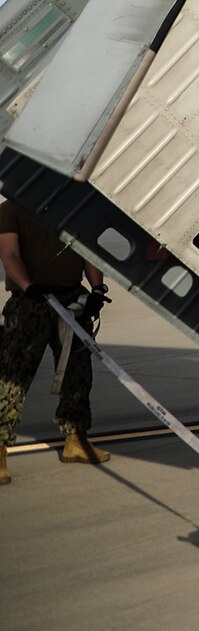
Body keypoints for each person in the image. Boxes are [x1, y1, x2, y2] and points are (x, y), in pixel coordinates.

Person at [1, 198, 111, 483]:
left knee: (78, 373)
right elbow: (10, 256)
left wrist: (97, 288)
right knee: (13, 376)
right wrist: (28, 287)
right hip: (31, 303)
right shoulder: (11, 209)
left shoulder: (74, 206)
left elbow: (88, 252)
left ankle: (76, 440)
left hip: (71, 300)